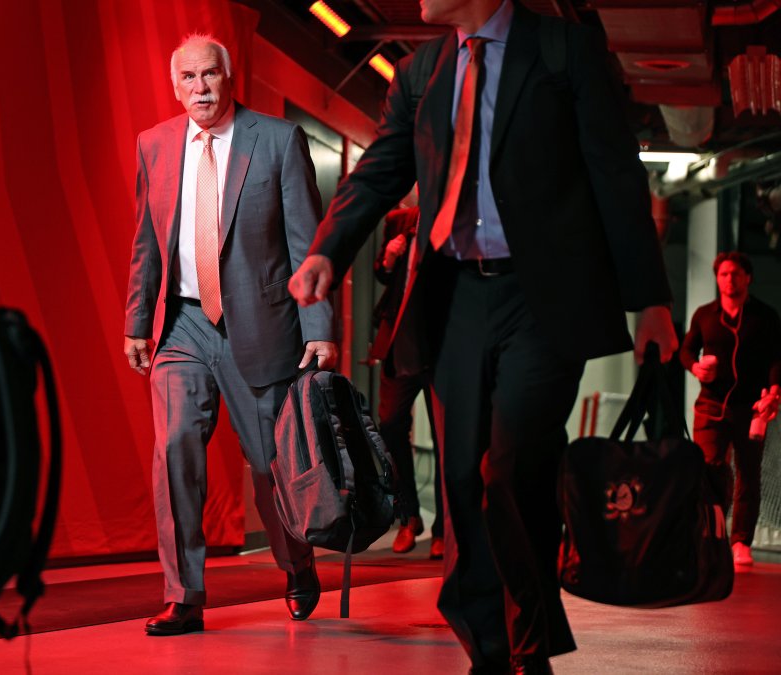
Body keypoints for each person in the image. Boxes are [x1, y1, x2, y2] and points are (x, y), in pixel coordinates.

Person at [288, 1, 677, 673]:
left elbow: (615, 171)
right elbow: (382, 168)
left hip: (542, 296)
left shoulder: (561, 50)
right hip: (454, 295)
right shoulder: (421, 72)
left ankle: (530, 640)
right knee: (464, 477)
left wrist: (649, 300)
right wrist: (329, 248)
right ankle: (490, 648)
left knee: (513, 468)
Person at [123, 34, 336, 636]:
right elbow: (146, 242)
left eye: (210, 75)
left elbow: (308, 244)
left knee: (269, 464)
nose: (200, 88)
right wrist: (137, 322)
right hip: (182, 325)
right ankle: (183, 595)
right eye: (188, 78)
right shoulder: (154, 145)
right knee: (175, 452)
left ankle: (297, 565)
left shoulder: (278, 139)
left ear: (229, 77)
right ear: (175, 87)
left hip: (262, 326)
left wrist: (319, 327)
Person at [679, 252, 781, 567]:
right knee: (709, 468)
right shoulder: (705, 315)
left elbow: (777, 358)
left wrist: (774, 390)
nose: (729, 279)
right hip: (711, 406)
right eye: (723, 274)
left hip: (751, 406)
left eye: (735, 273)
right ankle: (708, 534)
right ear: (717, 278)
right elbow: (686, 350)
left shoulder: (765, 316)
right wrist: (696, 367)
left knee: (748, 473)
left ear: (747, 277)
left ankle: (740, 542)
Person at [369, 206, 443, 559]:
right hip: (401, 339)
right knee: (390, 425)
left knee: (447, 438)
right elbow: (382, 274)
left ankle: (445, 528)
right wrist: (388, 257)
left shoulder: (452, 214)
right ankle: (409, 516)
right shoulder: (399, 220)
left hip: (442, 341)